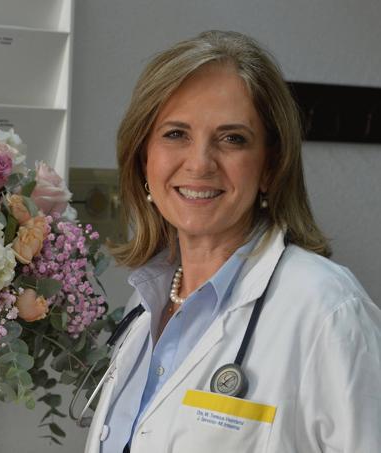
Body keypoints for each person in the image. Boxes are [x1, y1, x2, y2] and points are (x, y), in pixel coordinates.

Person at [84, 30, 381, 453]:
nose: (200, 163)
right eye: (175, 134)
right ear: (143, 156)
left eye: (232, 139)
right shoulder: (145, 305)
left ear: (269, 167)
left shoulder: (327, 309)